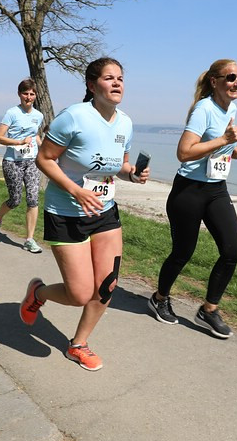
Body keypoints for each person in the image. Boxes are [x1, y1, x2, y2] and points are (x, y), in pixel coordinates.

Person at [20, 57, 148, 371]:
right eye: (109, 78)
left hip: (104, 212)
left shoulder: (125, 123)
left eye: (120, 78)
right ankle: (38, 292)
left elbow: (119, 164)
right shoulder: (73, 117)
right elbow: (45, 159)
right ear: (92, 86)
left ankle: (78, 344)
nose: (117, 83)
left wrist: (133, 174)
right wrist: (76, 190)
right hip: (65, 212)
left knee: (106, 286)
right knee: (79, 293)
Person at [147, 59, 237, 338]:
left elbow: (215, 148)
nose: (236, 82)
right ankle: (160, 298)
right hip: (188, 190)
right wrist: (224, 141)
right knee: (183, 252)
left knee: (232, 250)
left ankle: (209, 310)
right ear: (215, 82)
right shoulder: (203, 109)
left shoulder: (231, 108)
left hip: (216, 189)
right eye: (230, 77)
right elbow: (184, 152)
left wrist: (231, 151)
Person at [0, 79, 45, 254]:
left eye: (32, 94)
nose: (28, 97)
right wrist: (19, 141)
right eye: (25, 93)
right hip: (12, 161)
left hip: (31, 161)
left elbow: (35, 134)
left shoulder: (38, 115)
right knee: (15, 200)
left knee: (33, 199)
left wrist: (43, 150)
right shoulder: (12, 113)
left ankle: (29, 239)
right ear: (19, 94)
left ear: (35, 96)